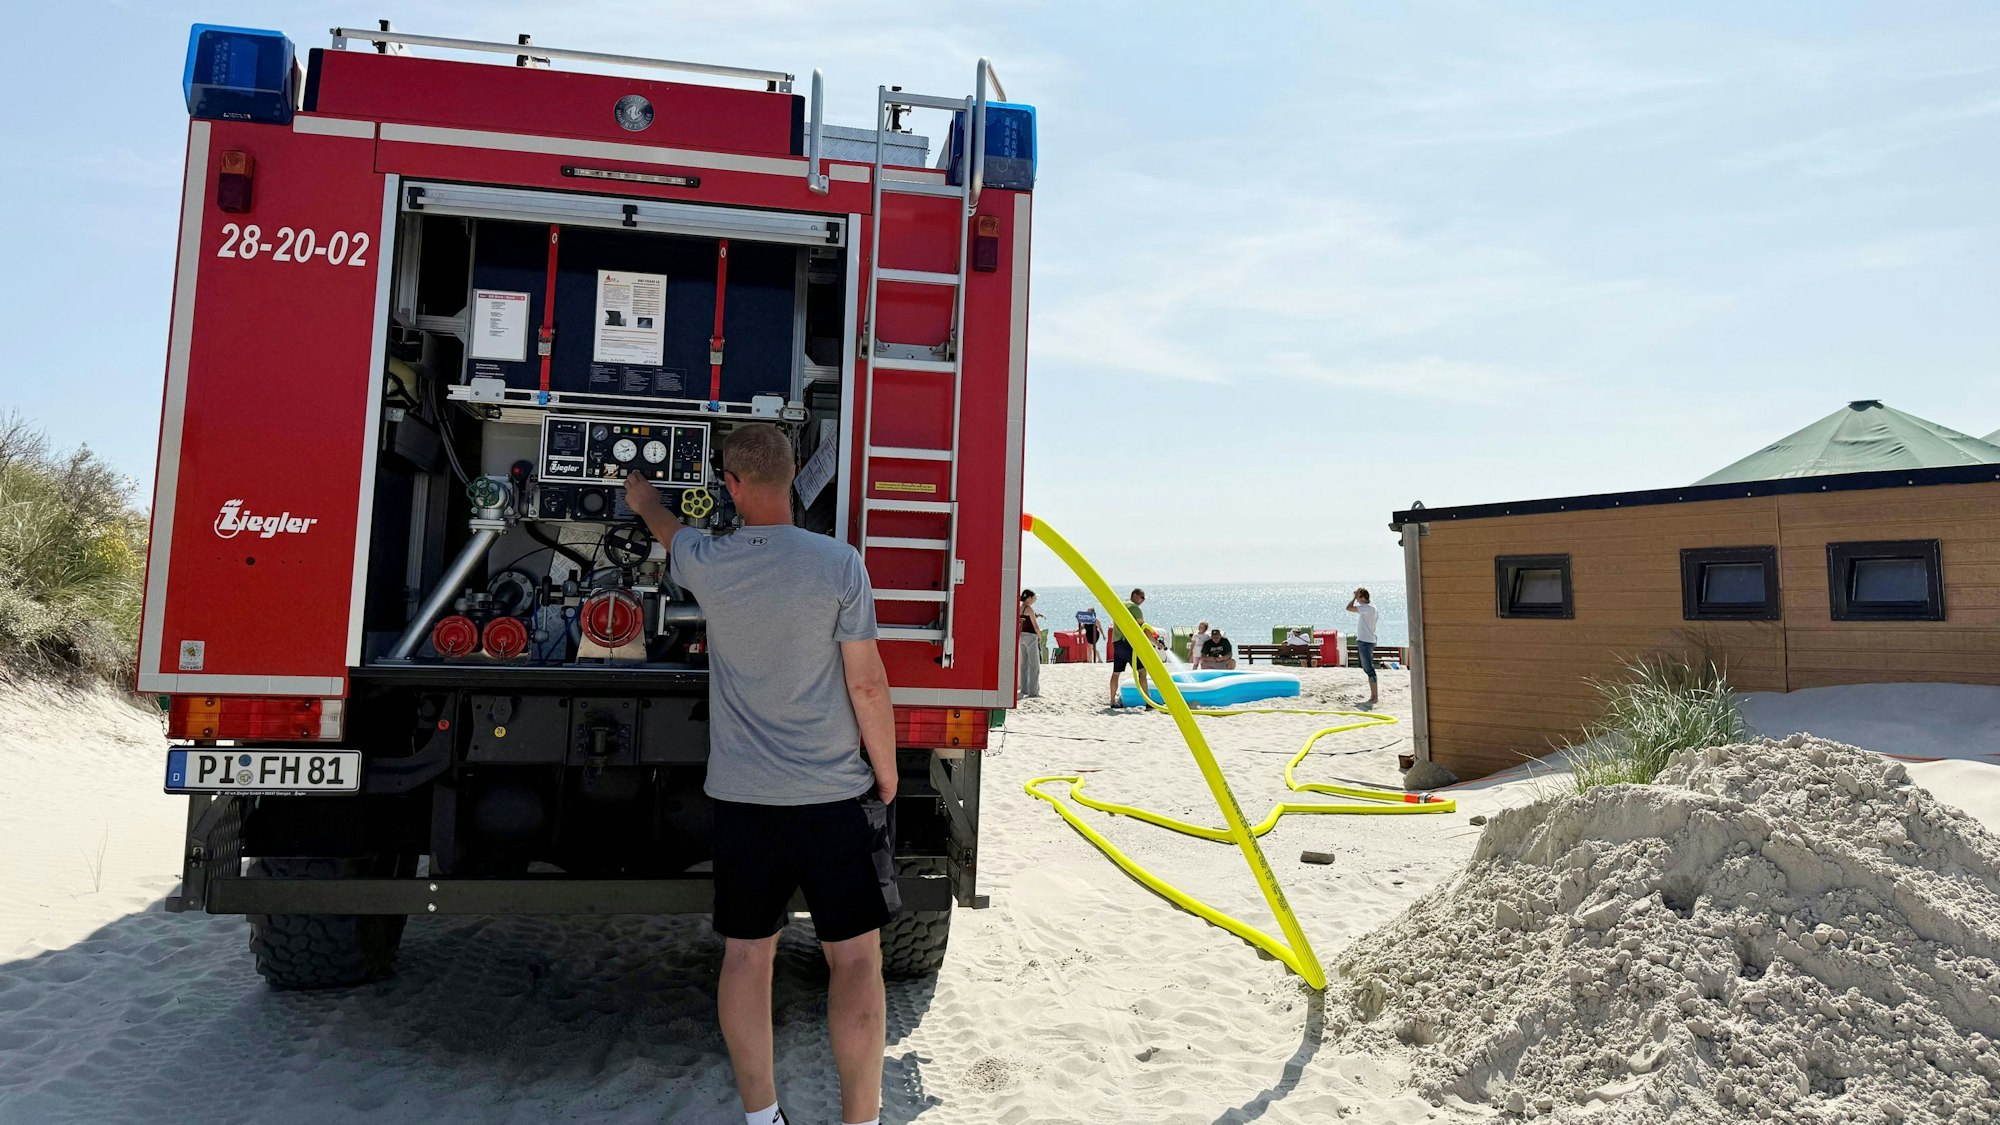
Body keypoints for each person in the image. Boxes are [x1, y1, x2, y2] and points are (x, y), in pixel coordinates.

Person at [624, 424, 896, 1125]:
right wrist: (886, 773)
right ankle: (861, 1120)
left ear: (733, 487)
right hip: (834, 796)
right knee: (857, 962)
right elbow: (867, 684)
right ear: (796, 472)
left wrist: (642, 495)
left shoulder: (710, 562)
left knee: (747, 956)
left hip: (745, 804)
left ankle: (762, 1116)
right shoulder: (841, 564)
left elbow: (666, 528)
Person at [1108, 587, 1163, 708]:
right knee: (1142, 672)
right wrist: (1157, 642)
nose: (1143, 600)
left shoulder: (1120, 605)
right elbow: (1144, 628)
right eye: (1142, 597)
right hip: (1128, 644)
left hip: (1117, 643)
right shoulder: (1135, 608)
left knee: (1116, 673)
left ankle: (1112, 701)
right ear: (1134, 595)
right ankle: (1149, 702)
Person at [1347, 587, 1380, 710]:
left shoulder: (1368, 608)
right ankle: (1374, 696)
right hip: (1367, 641)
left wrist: (1353, 598)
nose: (1357, 599)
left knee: (1369, 669)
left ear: (1362, 597)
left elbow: (1348, 608)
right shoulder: (1371, 607)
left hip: (1366, 642)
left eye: (1358, 597)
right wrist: (1357, 596)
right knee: (1367, 669)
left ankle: (1374, 696)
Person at [1017, 589, 1043, 698]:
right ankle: (1033, 691)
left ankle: (1024, 689)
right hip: (1031, 638)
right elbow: (1035, 626)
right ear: (1028, 598)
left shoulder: (1020, 608)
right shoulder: (1029, 609)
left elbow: (1023, 620)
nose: (1034, 600)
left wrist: (1037, 615)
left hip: (1021, 636)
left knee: (1024, 665)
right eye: (1033, 598)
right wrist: (1040, 636)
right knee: (1034, 665)